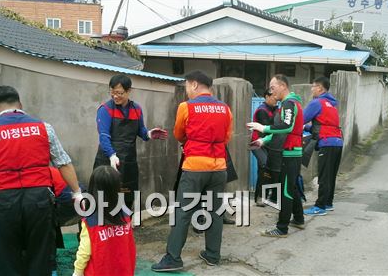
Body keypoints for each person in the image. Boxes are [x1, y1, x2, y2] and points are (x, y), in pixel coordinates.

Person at [0, 85, 82, 276]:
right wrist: (77, 192)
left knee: (7, 255)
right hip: (39, 201)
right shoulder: (44, 128)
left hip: (5, 202)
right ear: (20, 104)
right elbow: (64, 163)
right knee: (41, 252)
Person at [152, 70, 233, 271]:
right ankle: (213, 255)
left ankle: (173, 258)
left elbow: (178, 133)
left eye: (187, 86)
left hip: (195, 166)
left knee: (183, 212)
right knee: (215, 212)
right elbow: (227, 137)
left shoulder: (186, 107)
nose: (187, 90)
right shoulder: (225, 109)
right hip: (219, 167)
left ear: (195, 84)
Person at [94, 74, 168, 208]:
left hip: (128, 161)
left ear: (129, 91)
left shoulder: (136, 109)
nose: (115, 96)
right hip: (108, 161)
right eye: (112, 92)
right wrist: (111, 155)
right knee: (105, 198)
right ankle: (103, 227)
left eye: (119, 93)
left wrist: (149, 134)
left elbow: (141, 131)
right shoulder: (105, 109)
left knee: (126, 196)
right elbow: (104, 135)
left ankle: (124, 226)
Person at [247, 74, 305, 237]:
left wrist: (263, 128)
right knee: (291, 187)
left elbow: (286, 126)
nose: (272, 92)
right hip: (292, 152)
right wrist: (263, 141)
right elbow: (281, 129)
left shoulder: (288, 103)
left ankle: (282, 228)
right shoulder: (290, 103)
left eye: (273, 87)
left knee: (285, 190)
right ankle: (299, 219)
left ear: (283, 86)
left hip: (290, 153)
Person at [73, 166, 136, 276]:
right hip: (124, 270)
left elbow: (84, 252)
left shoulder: (90, 221)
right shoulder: (125, 213)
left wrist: (77, 272)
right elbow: (130, 246)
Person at [302, 77, 343, 216]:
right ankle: (328, 202)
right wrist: (308, 128)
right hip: (337, 141)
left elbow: (301, 118)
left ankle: (320, 206)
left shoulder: (317, 102)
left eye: (313, 86)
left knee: (324, 176)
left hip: (327, 142)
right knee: (330, 175)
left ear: (320, 88)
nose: (312, 89)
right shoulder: (331, 104)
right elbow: (320, 125)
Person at [251, 90, 284, 206]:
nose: (276, 99)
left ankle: (269, 196)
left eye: (276, 96)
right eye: (273, 96)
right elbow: (269, 127)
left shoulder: (276, 109)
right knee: (264, 167)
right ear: (266, 97)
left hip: (270, 144)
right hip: (257, 144)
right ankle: (259, 197)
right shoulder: (262, 110)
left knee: (271, 169)